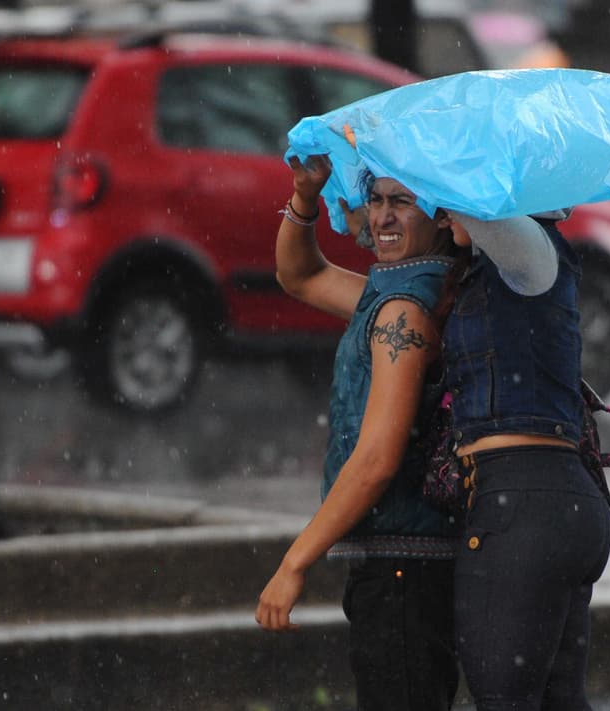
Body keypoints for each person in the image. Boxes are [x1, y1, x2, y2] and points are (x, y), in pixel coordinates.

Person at [255, 153, 468, 711]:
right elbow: (301, 276)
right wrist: (304, 199)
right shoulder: (398, 292)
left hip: (406, 574)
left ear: (442, 216)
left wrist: (294, 561)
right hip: (406, 571)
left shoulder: (404, 310)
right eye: (376, 200)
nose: (383, 218)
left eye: (403, 202)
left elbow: (376, 459)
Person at [442, 209, 610, 710]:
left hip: (523, 508)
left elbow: (477, 206)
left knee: (504, 701)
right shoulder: (488, 268)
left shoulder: (534, 254)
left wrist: (420, 155)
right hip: (548, 506)